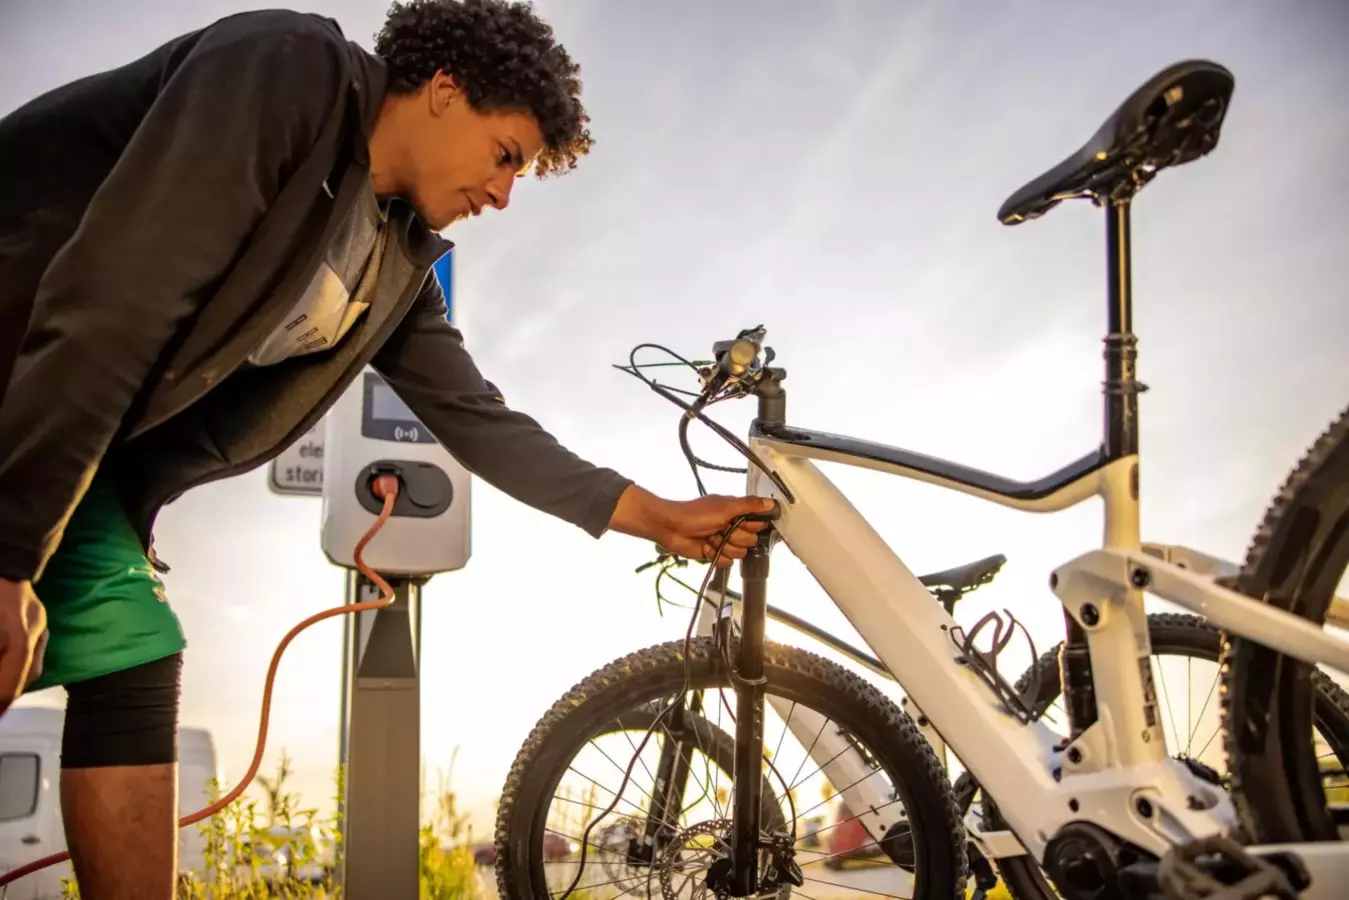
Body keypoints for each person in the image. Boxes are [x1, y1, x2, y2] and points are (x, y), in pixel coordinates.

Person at [0, 0, 773, 894]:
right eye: (505, 155)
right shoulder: (286, 67)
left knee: (132, 649)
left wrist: (658, 516)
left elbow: (478, 418)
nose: (503, 193)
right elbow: (118, 297)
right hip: (30, 384)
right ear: (444, 90)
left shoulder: (398, 265)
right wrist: (10, 554)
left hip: (67, 446)